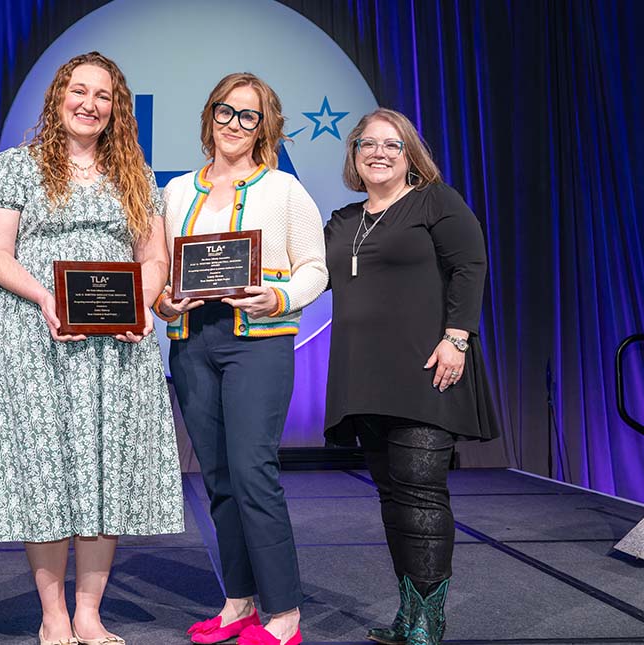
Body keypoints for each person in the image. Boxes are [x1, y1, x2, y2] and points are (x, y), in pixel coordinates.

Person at [0, 51, 184, 645]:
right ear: (58, 96)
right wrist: (45, 297)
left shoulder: (135, 172)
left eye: (104, 96)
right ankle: (52, 614)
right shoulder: (18, 167)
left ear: (118, 109)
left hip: (115, 345)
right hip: (37, 337)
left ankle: (89, 612)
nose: (90, 104)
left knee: (104, 471)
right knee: (47, 472)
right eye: (79, 91)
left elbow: (154, 257)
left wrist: (144, 302)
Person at [155, 73, 328, 645]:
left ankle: (284, 615)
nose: (234, 123)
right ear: (210, 117)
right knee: (219, 478)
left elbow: (315, 269)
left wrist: (278, 295)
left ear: (264, 127)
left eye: (248, 115)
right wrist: (162, 299)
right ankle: (239, 602)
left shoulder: (283, 190)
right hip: (191, 342)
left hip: (258, 341)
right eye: (225, 111)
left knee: (254, 473)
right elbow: (159, 272)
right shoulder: (176, 190)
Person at [323, 108, 501, 645]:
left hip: (427, 369)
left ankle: (430, 619)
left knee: (421, 492)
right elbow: (304, 275)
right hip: (363, 378)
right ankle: (408, 613)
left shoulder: (435, 201)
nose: (378, 152)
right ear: (353, 154)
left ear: (410, 156)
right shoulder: (342, 220)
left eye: (391, 145)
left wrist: (456, 337)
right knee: (391, 496)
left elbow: (471, 266)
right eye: (367, 144)